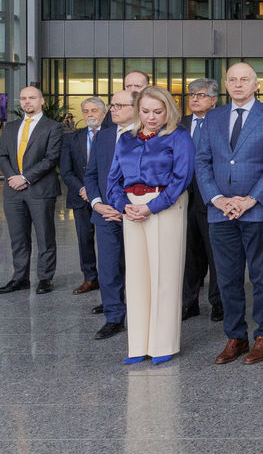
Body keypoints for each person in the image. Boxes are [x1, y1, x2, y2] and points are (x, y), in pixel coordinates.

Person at [195, 62, 263, 366]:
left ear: (256, 84)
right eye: (232, 79)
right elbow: (202, 162)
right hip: (220, 212)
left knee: (262, 277)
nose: (238, 84)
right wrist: (218, 199)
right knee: (227, 278)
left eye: (244, 79)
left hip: (258, 211)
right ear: (225, 84)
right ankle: (235, 336)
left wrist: (250, 200)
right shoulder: (213, 117)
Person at [106, 87, 194, 364]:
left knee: (164, 275)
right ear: (137, 111)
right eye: (145, 111)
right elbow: (113, 179)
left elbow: (182, 178)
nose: (151, 117)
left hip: (165, 204)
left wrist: (152, 206)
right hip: (131, 207)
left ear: (169, 110)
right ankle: (138, 346)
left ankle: (162, 344)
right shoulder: (126, 139)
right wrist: (123, 205)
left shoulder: (179, 136)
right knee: (136, 278)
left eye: (158, 111)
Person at [0, 86, 64, 296]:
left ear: (41, 101)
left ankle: (45, 278)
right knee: (18, 238)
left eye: (32, 98)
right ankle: (20, 278)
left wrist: (25, 178)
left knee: (45, 236)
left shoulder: (53, 127)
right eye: (23, 98)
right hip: (13, 191)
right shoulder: (10, 127)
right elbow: (2, 156)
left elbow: (51, 158)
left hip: (41, 190)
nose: (27, 102)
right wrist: (12, 178)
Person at [83, 91, 134, 339]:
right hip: (105, 213)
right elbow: (91, 174)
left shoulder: (148, 135)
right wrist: (97, 203)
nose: (113, 109)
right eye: (112, 105)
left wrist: (127, 207)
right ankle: (114, 317)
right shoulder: (103, 136)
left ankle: (141, 315)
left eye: (119, 105)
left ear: (135, 107)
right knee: (108, 267)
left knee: (138, 268)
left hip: (136, 212)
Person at [180, 79, 223, 322]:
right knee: (189, 254)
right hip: (184, 198)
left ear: (214, 100)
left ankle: (218, 302)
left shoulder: (222, 122)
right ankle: (189, 303)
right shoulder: (180, 124)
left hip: (213, 197)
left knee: (215, 253)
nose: (195, 99)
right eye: (192, 95)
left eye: (201, 95)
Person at [61, 97, 106, 295]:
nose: (89, 114)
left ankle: (110, 278)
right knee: (84, 239)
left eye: (94, 110)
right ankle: (90, 278)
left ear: (104, 113)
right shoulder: (72, 138)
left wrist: (96, 190)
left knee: (108, 240)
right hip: (81, 197)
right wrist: (83, 189)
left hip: (106, 198)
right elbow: (66, 171)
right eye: (86, 111)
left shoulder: (113, 135)